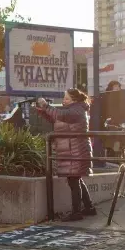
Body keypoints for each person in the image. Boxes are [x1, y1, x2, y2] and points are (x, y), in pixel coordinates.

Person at [36, 88, 96, 221]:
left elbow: (62, 116)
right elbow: (57, 118)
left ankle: (76, 212)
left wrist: (46, 106)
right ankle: (89, 207)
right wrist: (43, 111)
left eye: (67, 98)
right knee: (76, 179)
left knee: (74, 180)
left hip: (76, 150)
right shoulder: (72, 109)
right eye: (64, 98)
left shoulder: (77, 110)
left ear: (74, 100)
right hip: (72, 150)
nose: (64, 101)